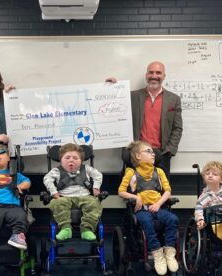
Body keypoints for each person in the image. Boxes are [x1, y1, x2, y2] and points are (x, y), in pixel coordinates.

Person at [105, 61, 183, 173]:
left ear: (164, 76)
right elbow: (114, 105)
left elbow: (177, 128)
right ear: (146, 75)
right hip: (137, 154)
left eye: (158, 73)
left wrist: (169, 151)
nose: (154, 76)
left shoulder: (173, 99)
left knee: (161, 189)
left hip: (161, 154)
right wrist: (112, 87)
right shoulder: (132, 96)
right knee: (133, 188)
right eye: (151, 72)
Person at [118, 141, 179, 275]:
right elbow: (121, 191)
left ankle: (169, 252)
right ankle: (157, 253)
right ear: (138, 156)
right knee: (146, 222)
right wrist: (136, 198)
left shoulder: (159, 171)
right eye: (148, 151)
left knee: (173, 219)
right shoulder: (131, 172)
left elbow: (168, 191)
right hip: (141, 210)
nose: (153, 154)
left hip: (158, 208)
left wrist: (158, 204)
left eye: (152, 152)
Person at [43, 143, 103, 241]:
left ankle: (87, 229)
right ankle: (65, 228)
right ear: (61, 160)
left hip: (85, 196)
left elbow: (98, 175)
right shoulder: (56, 171)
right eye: (67, 158)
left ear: (81, 161)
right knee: (56, 203)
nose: (71, 160)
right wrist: (53, 192)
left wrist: (96, 188)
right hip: (64, 197)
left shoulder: (86, 168)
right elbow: (47, 179)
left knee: (95, 203)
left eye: (75, 158)